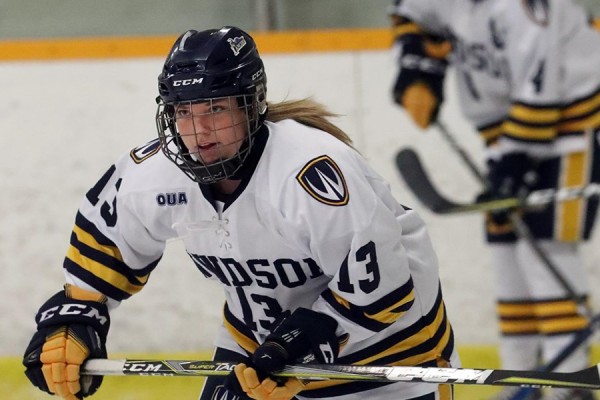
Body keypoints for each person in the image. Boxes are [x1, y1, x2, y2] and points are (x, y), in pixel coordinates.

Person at [22, 26, 459, 400]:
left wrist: (298, 346)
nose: (198, 131)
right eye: (184, 112)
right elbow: (103, 247)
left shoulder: (312, 173)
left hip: (388, 352)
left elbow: (384, 293)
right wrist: (74, 319)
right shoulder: (153, 175)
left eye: (215, 109)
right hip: (258, 346)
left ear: (251, 105)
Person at [388, 1, 600, 399]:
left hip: (572, 128)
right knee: (508, 255)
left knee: (548, 249)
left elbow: (544, 84)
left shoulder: (529, 8)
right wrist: (417, 68)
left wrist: (513, 163)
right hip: (506, 136)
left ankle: (570, 383)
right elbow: (410, 14)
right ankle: (519, 379)